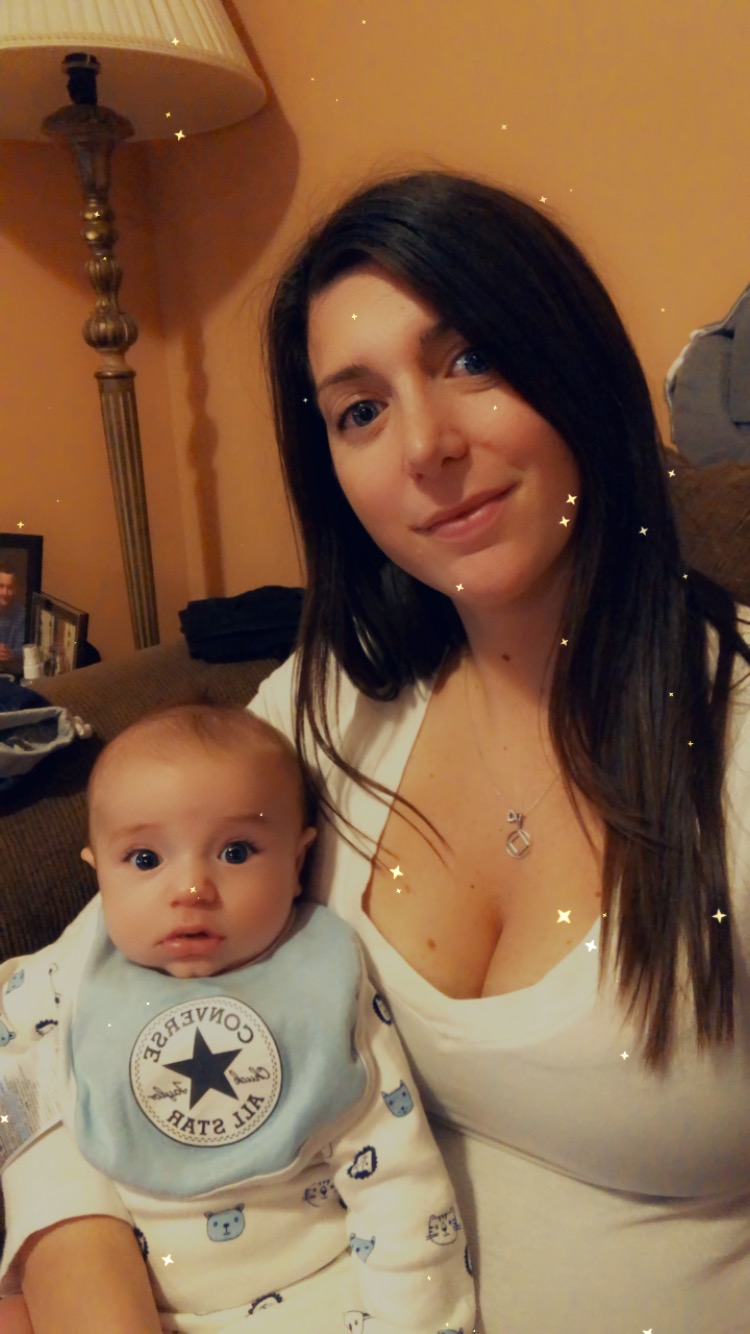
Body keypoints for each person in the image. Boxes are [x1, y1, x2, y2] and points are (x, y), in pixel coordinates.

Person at [3, 169, 750, 1332]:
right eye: (359, 410)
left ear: (574, 362)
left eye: (471, 360)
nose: (425, 446)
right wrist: (69, 1252)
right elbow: (60, 1000)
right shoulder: (329, 700)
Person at [0, 704, 475, 1334]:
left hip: (303, 1292)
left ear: (299, 861)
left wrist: (417, 1318)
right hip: (121, 1287)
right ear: (99, 872)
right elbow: (13, 1044)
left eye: (235, 850)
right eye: (144, 859)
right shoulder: (83, 963)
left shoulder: (319, 986)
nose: (191, 888)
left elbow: (398, 1181)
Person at [0, 569, 25, 669]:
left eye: (9, 588)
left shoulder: (22, 614)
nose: (5, 592)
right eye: (1, 586)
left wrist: (10, 653)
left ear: (15, 589)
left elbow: (24, 648)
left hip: (11, 669)